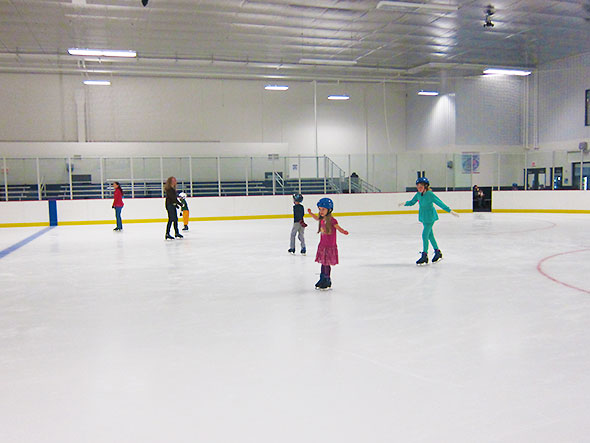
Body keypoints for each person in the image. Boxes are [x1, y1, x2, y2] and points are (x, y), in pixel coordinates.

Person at [399, 177, 459, 265]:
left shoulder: (430, 194)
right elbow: (412, 202)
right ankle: (437, 252)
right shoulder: (418, 194)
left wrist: (449, 210)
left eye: (421, 186)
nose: (419, 188)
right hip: (423, 216)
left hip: (430, 217)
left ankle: (424, 255)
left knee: (424, 235)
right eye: (418, 186)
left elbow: (439, 203)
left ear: (426, 186)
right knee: (430, 235)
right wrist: (405, 203)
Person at [307, 197, 349, 290]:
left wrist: (343, 231)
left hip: (329, 246)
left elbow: (338, 227)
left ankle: (327, 279)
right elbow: (316, 218)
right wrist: (310, 213)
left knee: (327, 263)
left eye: (323, 209)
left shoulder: (332, 220)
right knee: (323, 263)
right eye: (320, 209)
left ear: (329, 210)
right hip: (322, 245)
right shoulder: (322, 219)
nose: (321, 211)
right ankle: (322, 278)